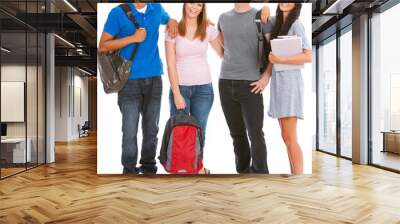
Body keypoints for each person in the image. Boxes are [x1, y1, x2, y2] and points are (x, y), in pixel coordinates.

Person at [98, 3, 178, 174]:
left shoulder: (156, 8)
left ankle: (148, 167)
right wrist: (133, 38)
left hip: (155, 78)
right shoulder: (118, 13)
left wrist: (172, 21)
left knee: (151, 129)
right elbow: (103, 46)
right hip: (129, 82)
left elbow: (167, 19)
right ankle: (129, 170)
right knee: (129, 131)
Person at [165, 3, 223, 174]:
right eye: (192, 2)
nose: (194, 7)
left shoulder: (208, 29)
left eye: (199, 4)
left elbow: (223, 53)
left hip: (204, 89)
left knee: (200, 131)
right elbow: (170, 64)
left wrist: (220, 29)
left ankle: (196, 168)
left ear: (203, 8)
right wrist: (176, 93)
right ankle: (179, 168)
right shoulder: (173, 29)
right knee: (179, 131)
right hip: (180, 88)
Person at [217, 3, 272, 174]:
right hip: (225, 83)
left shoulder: (261, 17)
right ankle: (242, 174)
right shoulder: (223, 18)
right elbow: (223, 51)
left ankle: (261, 176)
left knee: (255, 134)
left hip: (251, 84)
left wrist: (266, 76)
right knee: (237, 135)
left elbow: (273, 51)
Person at [265, 3, 312, 174]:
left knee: (290, 137)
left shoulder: (296, 24)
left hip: (290, 84)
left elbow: (308, 55)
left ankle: (298, 178)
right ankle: (294, 175)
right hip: (280, 83)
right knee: (286, 136)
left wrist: (280, 59)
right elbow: (261, 17)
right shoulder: (279, 25)